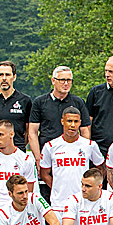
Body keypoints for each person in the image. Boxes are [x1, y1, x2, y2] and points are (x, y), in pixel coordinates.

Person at [28, 65, 92, 201]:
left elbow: (85, 129)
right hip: (48, 158)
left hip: (72, 158)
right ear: (53, 81)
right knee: (48, 198)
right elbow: (32, 132)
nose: (66, 83)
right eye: (62, 80)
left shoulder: (78, 102)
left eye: (69, 80)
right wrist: (38, 158)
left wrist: (85, 151)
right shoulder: (40, 102)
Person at [39, 106, 105, 209]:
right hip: (59, 204)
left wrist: (91, 187)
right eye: (69, 121)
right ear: (62, 121)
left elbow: (101, 167)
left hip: (83, 203)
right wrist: (57, 187)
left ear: (80, 123)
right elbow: (44, 173)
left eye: (76, 121)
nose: (72, 125)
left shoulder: (89, 145)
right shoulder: (50, 146)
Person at [0, 61, 32, 152]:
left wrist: (16, 146)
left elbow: (28, 130)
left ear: (14, 77)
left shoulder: (25, 100)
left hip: (18, 151)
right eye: (1, 75)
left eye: (7, 75)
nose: (4, 78)